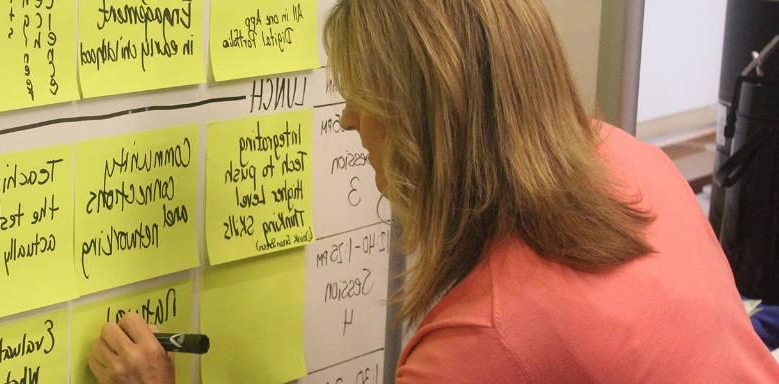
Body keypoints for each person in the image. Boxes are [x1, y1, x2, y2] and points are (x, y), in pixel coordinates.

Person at [88, 0, 779, 382]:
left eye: (365, 95)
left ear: (423, 119)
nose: (348, 118)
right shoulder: (631, 162)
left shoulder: (488, 338)